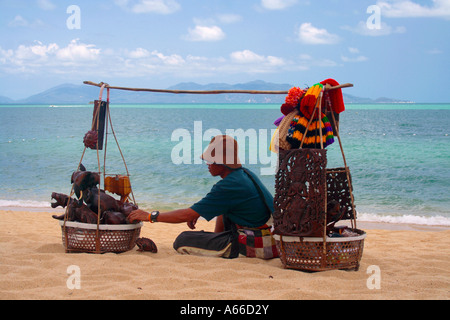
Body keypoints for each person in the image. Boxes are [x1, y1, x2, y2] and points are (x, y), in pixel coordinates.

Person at [127, 135, 275, 258]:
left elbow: (184, 215)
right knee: (222, 215)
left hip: (251, 244)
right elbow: (222, 206)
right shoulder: (243, 175)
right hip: (264, 234)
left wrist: (150, 216)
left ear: (222, 163)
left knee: (182, 240)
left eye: (210, 161)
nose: (207, 164)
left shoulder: (228, 185)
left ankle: (222, 245)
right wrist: (201, 215)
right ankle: (220, 240)